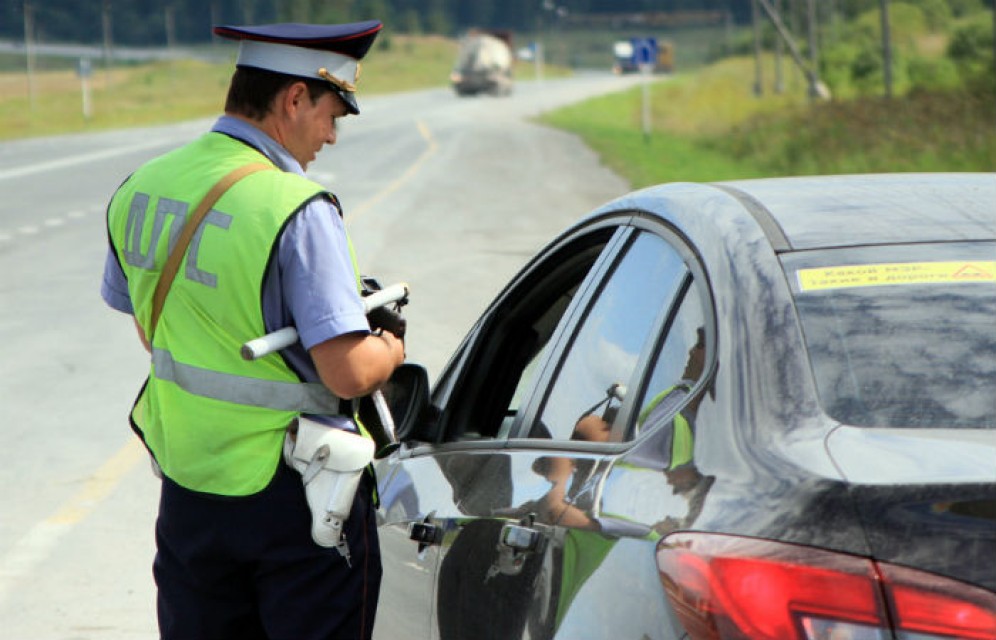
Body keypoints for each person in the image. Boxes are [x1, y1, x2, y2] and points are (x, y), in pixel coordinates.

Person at [99, 19, 404, 640]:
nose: (331, 136)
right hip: (294, 497)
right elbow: (345, 371)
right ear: (295, 99)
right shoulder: (296, 205)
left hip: (189, 488)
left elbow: (155, 332)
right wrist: (390, 347)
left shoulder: (143, 184)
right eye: (331, 114)